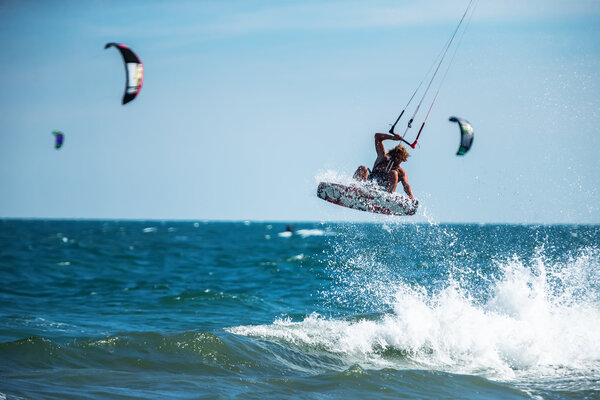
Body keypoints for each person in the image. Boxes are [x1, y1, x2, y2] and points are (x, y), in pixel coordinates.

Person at [353, 133, 415, 199]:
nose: (397, 159)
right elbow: (377, 137)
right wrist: (392, 137)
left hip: (383, 193)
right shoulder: (382, 158)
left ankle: (388, 198)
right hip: (368, 185)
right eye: (396, 156)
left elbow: (406, 185)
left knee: (393, 173)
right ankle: (352, 188)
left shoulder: (401, 172)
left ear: (403, 160)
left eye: (400, 158)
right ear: (392, 154)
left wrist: (411, 195)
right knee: (362, 168)